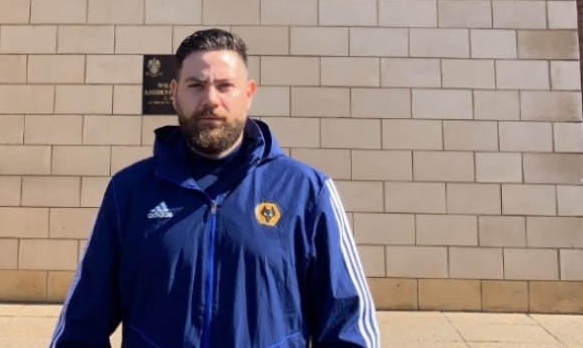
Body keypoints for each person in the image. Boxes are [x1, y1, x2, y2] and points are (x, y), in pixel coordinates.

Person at [49, 28, 380, 348]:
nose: (210, 99)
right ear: (175, 92)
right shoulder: (129, 192)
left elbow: (349, 328)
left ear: (248, 94)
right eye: (196, 85)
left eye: (225, 86)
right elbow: (80, 329)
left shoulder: (307, 192)